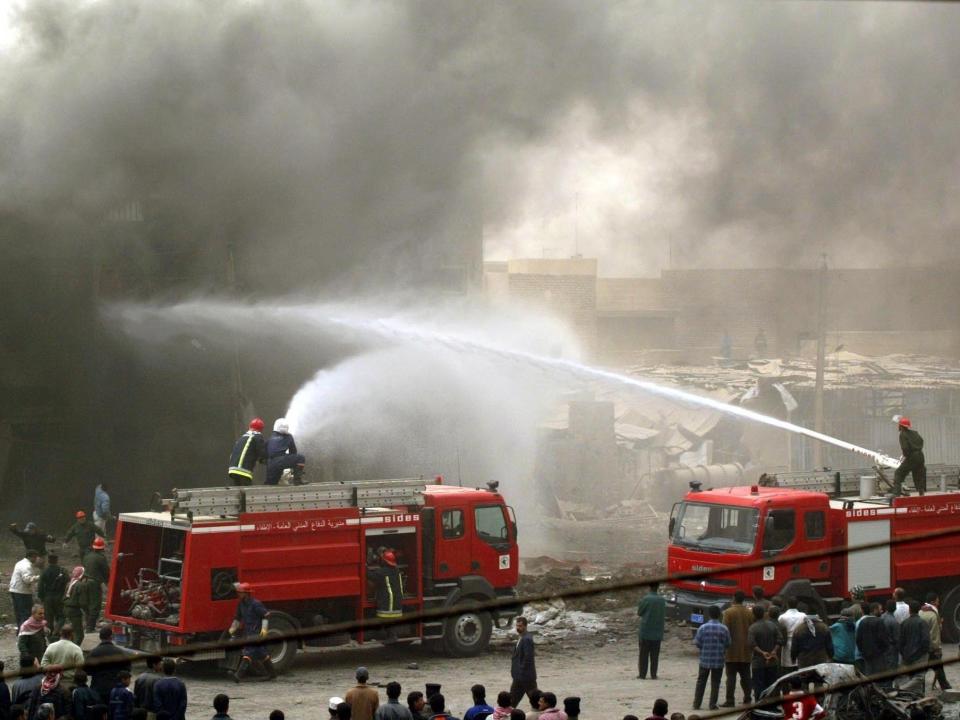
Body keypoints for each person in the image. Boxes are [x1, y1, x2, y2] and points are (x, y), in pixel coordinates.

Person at [227, 582, 275, 682]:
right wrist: (232, 629)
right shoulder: (241, 604)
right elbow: (237, 618)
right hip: (249, 632)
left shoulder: (255, 604)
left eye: (240, 592)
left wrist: (264, 628)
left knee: (248, 651)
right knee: (261, 653)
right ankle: (272, 674)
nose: (238, 594)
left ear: (247, 593)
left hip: (256, 632)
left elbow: (266, 615)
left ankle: (238, 675)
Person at [693, 605, 730, 711]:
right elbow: (728, 643)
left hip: (705, 659)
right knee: (715, 682)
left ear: (709, 615)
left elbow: (697, 643)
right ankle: (712, 704)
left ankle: (697, 703)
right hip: (718, 660)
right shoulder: (724, 628)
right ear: (719, 615)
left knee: (701, 681)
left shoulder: (703, 627)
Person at [721, 590, 753, 706]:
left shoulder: (728, 612)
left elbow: (725, 631)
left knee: (731, 677)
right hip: (746, 651)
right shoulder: (750, 613)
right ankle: (748, 697)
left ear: (734, 598)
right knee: (746, 676)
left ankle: (730, 700)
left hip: (731, 651)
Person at [88, 628, 132, 705]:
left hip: (98, 689)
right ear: (111, 637)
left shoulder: (93, 653)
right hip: (115, 690)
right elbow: (127, 669)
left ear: (100, 637)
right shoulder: (120, 652)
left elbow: (86, 670)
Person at [747, 605, 780, 701]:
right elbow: (780, 639)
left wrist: (762, 653)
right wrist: (774, 651)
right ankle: (771, 706)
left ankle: (759, 707)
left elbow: (751, 644)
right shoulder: (772, 625)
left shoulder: (753, 628)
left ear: (754, 614)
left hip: (758, 662)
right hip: (772, 661)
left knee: (758, 686)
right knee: (771, 685)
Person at [919, 592, 951, 691]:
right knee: (939, 668)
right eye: (937, 601)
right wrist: (937, 648)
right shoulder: (933, 615)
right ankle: (945, 687)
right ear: (933, 602)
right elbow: (935, 634)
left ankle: (921, 689)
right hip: (931, 648)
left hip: (922, 647)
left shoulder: (920, 612)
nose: (938, 603)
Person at [369, 548, 404, 636]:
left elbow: (370, 575)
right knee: (390, 620)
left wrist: (364, 566)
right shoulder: (396, 570)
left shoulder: (382, 572)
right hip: (397, 600)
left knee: (387, 619)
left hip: (388, 601)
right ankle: (390, 635)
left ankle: (390, 635)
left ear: (384, 562)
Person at [898, 600, 931, 694]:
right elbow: (925, 641)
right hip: (920, 656)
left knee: (911, 677)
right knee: (919, 677)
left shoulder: (904, 623)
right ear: (919, 610)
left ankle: (913, 695)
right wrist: (924, 652)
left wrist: (904, 653)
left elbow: (900, 641)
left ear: (909, 610)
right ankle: (903, 689)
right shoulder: (922, 623)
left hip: (907, 656)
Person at [637, 583, 666, 680]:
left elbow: (639, 612)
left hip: (646, 631)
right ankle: (653, 674)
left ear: (649, 587)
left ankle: (642, 674)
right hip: (658, 631)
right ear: (657, 588)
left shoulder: (646, 599)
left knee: (643, 655)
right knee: (655, 655)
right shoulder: (662, 600)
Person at [63, 567, 99, 645]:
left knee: (71, 631)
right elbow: (83, 602)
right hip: (74, 611)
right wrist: (88, 612)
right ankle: (74, 651)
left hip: (66, 608)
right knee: (79, 635)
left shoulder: (69, 583)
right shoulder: (80, 585)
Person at [856, 602, 889, 685]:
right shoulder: (879, 622)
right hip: (878, 655)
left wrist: (862, 651)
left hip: (866, 654)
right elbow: (883, 639)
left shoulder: (862, 622)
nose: (881, 611)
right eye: (880, 609)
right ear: (874, 610)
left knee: (869, 676)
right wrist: (884, 649)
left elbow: (858, 639)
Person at [266, 418, 306, 486]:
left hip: (270, 463)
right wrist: (295, 468)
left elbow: (265, 452)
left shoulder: (270, 438)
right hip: (281, 461)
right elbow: (293, 452)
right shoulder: (288, 436)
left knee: (271, 484)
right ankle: (297, 480)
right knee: (300, 458)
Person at [228, 418, 268, 486]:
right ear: (261, 429)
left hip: (232, 469)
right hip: (243, 470)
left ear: (250, 427)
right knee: (248, 493)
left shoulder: (243, 437)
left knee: (238, 491)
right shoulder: (257, 437)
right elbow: (262, 454)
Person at [893, 416, 926, 496]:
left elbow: (905, 448)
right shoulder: (915, 433)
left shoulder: (902, 434)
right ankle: (921, 493)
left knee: (898, 473)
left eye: (899, 425)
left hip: (912, 457)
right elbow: (921, 441)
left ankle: (896, 495)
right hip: (920, 456)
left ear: (901, 426)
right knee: (918, 474)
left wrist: (905, 456)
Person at [83, 538, 111, 631]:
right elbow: (106, 572)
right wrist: (108, 583)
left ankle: (88, 623)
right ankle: (90, 627)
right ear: (102, 548)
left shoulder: (86, 556)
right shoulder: (101, 558)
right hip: (94, 584)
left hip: (84, 582)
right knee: (95, 605)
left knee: (87, 603)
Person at [10, 551, 42, 629]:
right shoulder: (26, 566)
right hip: (22, 592)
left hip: (15, 590)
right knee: (25, 613)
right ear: (31, 557)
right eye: (35, 557)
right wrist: (38, 577)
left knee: (19, 613)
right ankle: (24, 632)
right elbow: (27, 579)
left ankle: (20, 632)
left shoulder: (20, 563)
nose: (36, 559)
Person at [37, 555, 68, 635]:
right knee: (61, 616)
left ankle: (50, 635)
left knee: (48, 617)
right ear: (57, 560)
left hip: (47, 597)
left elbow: (40, 585)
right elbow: (67, 581)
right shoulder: (62, 570)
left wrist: (41, 597)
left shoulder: (44, 571)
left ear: (48, 560)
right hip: (59, 596)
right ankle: (57, 630)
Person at [510, 617, 537, 707]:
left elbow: (528, 658)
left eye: (520, 626)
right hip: (521, 677)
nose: (518, 628)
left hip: (525, 677)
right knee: (512, 701)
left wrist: (520, 672)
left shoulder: (526, 639)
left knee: (536, 701)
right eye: (517, 626)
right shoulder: (522, 637)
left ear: (525, 626)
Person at [778, 597, 806, 675]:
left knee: (787, 666)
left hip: (787, 642)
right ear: (797, 604)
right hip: (800, 641)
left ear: (787, 604)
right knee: (799, 664)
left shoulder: (782, 617)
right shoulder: (803, 616)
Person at [881, 600, 901, 682]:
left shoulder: (881, 617)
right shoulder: (894, 621)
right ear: (895, 608)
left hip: (883, 648)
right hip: (891, 648)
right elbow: (897, 638)